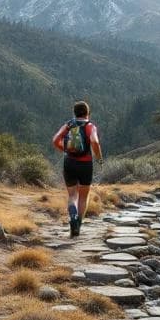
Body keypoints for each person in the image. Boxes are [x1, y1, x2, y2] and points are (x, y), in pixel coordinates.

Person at [52, 101, 103, 237]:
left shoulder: (68, 125)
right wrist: (99, 157)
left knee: (72, 195)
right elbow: (95, 141)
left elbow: (55, 140)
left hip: (69, 162)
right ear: (88, 113)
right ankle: (78, 225)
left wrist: (66, 150)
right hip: (86, 164)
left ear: (74, 113)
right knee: (83, 196)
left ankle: (72, 217)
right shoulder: (90, 126)